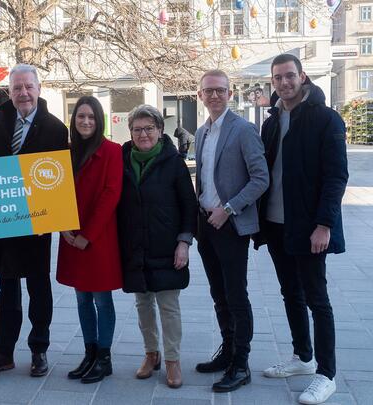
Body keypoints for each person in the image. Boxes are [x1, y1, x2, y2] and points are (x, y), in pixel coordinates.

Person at [254, 54, 348, 405]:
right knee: (289, 293)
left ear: (302, 76)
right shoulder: (272, 121)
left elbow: (336, 176)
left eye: (289, 76)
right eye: (277, 78)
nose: (284, 83)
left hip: (309, 227)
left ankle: (326, 374)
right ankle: (303, 358)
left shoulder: (325, 119)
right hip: (277, 224)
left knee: (316, 299)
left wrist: (324, 225)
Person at [0, 64, 68, 377]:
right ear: (10, 92)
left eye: (28, 87)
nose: (23, 93)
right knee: (7, 288)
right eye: (17, 88)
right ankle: (4, 351)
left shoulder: (55, 128)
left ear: (38, 89)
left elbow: (57, 178)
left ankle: (39, 348)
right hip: (4, 220)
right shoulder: (0, 119)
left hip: (37, 222)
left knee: (39, 287)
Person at [194, 70, 269, 392]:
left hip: (231, 225)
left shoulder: (243, 130)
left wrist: (228, 209)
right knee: (218, 294)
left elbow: (260, 179)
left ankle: (241, 363)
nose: (214, 96)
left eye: (220, 90)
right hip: (206, 225)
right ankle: (227, 351)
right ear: (200, 95)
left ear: (230, 92)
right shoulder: (201, 132)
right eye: (208, 91)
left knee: (236, 295)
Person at [118, 104, 198, 388]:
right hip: (135, 245)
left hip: (167, 245)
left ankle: (173, 361)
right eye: (137, 129)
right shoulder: (122, 158)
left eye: (149, 128)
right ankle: (151, 354)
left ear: (160, 131)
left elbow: (189, 205)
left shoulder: (173, 161)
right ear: (130, 132)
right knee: (143, 303)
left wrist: (184, 242)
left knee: (168, 305)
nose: (143, 134)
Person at [56, 96, 123, 384]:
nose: (85, 121)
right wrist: (61, 227)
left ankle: (104, 357)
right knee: (82, 299)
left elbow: (111, 196)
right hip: (71, 237)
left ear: (99, 121)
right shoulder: (67, 153)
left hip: (97, 239)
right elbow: (54, 192)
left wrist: (87, 235)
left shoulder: (112, 151)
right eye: (81, 116)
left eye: (91, 117)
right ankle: (90, 352)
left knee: (101, 299)